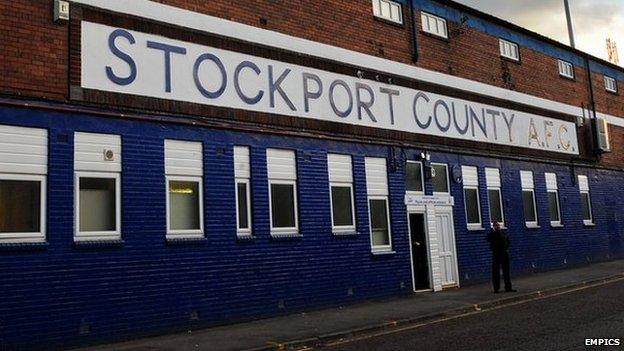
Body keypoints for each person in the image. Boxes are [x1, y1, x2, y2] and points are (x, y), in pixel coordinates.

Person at [486, 221, 516, 293]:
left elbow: (508, 241)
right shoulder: (492, 234)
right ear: (494, 226)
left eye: (498, 225)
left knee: (506, 271)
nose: (498, 227)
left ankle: (508, 287)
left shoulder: (502, 233)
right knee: (496, 272)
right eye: (496, 226)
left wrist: (506, 247)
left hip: (503, 253)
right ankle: (496, 288)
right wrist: (492, 230)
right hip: (496, 254)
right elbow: (488, 238)